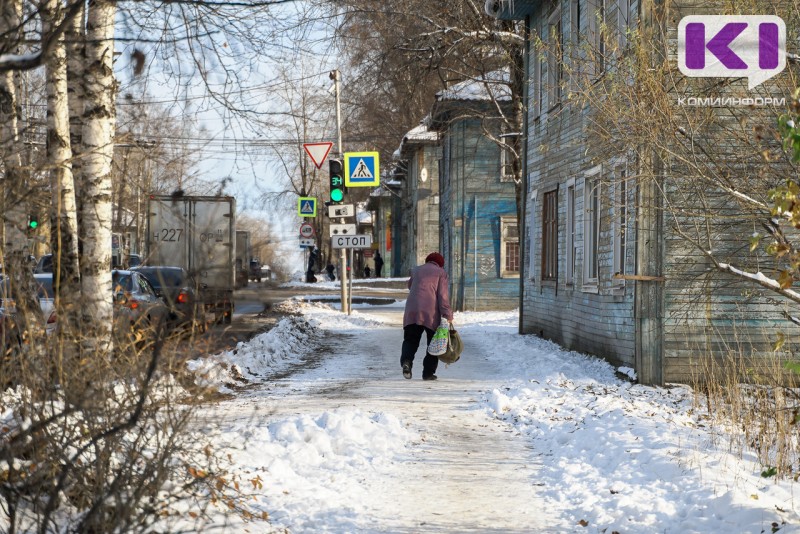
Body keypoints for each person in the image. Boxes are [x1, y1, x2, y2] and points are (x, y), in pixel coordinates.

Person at [400, 252, 453, 381]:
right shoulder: (441, 273)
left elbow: (410, 286)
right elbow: (442, 296)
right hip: (431, 313)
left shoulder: (416, 270)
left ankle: (406, 362)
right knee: (434, 343)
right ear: (440, 264)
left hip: (412, 311)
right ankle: (428, 373)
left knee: (410, 340)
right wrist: (447, 314)